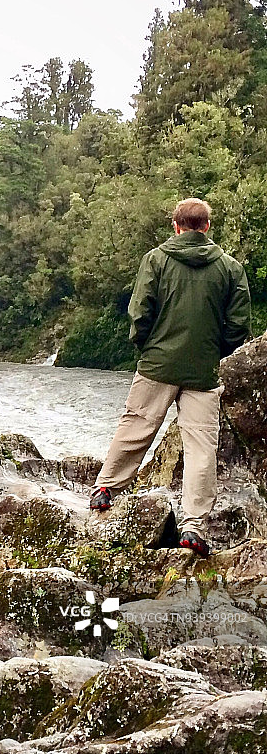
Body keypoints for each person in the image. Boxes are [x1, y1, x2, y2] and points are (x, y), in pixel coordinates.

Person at [89, 198, 251, 558]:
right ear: (206, 227)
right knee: (200, 447)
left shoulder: (156, 260)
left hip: (157, 364)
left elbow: (140, 312)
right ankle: (192, 527)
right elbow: (239, 325)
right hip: (204, 371)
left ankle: (106, 489)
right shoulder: (230, 268)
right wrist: (214, 353)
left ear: (176, 226)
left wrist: (148, 347)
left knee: (137, 426)